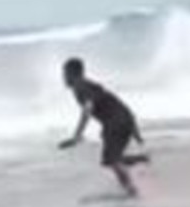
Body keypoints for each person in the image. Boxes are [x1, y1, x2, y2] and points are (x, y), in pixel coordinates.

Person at [59, 57, 149, 198]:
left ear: (72, 74)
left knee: (112, 160)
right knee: (111, 159)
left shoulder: (80, 87)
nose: (63, 78)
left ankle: (131, 190)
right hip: (123, 119)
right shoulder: (87, 85)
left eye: (64, 74)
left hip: (116, 122)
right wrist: (134, 130)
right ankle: (140, 160)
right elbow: (118, 104)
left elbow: (88, 108)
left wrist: (77, 135)